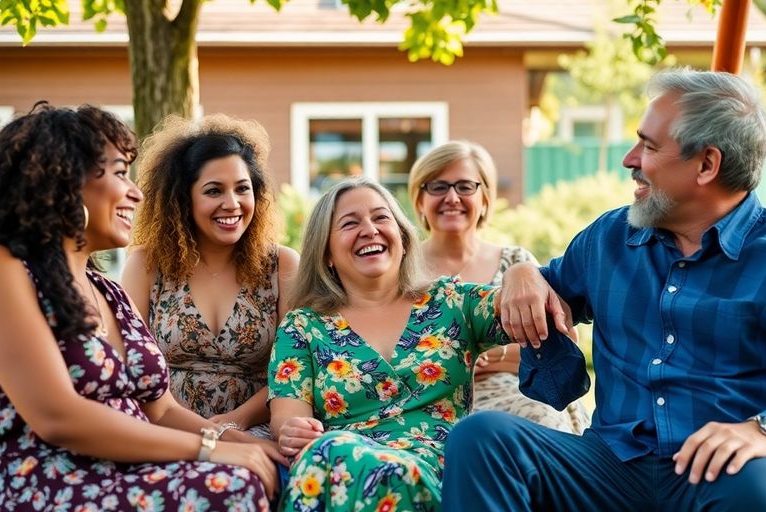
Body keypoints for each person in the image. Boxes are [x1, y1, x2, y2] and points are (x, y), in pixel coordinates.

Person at [442, 69, 766, 511]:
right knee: (482, 439)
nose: (630, 159)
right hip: (614, 465)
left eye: (649, 145)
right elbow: (547, 287)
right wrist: (524, 273)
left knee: (755, 488)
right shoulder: (610, 238)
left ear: (706, 164)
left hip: (733, 469)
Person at [0, 103, 284, 510]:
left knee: (254, 475)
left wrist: (237, 441)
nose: (136, 192)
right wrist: (209, 451)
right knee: (230, 488)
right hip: (37, 476)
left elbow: (159, 410)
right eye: (119, 173)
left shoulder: (108, 291)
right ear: (63, 180)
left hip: (119, 468)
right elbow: (58, 417)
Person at [267, 178, 579, 511]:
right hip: (346, 468)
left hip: (444, 469)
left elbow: (548, 315)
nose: (370, 229)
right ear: (326, 252)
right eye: (350, 223)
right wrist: (293, 431)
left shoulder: (451, 301)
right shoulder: (303, 326)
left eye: (381, 217)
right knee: (333, 452)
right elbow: (288, 419)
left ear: (402, 237)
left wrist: (522, 272)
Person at [122, 114, 298, 439]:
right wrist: (204, 434)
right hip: (165, 430)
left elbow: (295, 370)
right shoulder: (146, 265)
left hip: (255, 431)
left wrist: (236, 422)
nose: (231, 203)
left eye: (242, 189)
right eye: (214, 191)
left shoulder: (282, 266)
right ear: (182, 199)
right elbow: (130, 367)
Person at [408, 140, 589, 433]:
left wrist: (495, 356)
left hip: (520, 398)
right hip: (429, 407)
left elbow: (562, 340)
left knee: (542, 424)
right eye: (438, 186)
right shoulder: (401, 270)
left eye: (465, 186)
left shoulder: (516, 264)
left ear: (485, 199)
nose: (452, 197)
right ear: (419, 199)